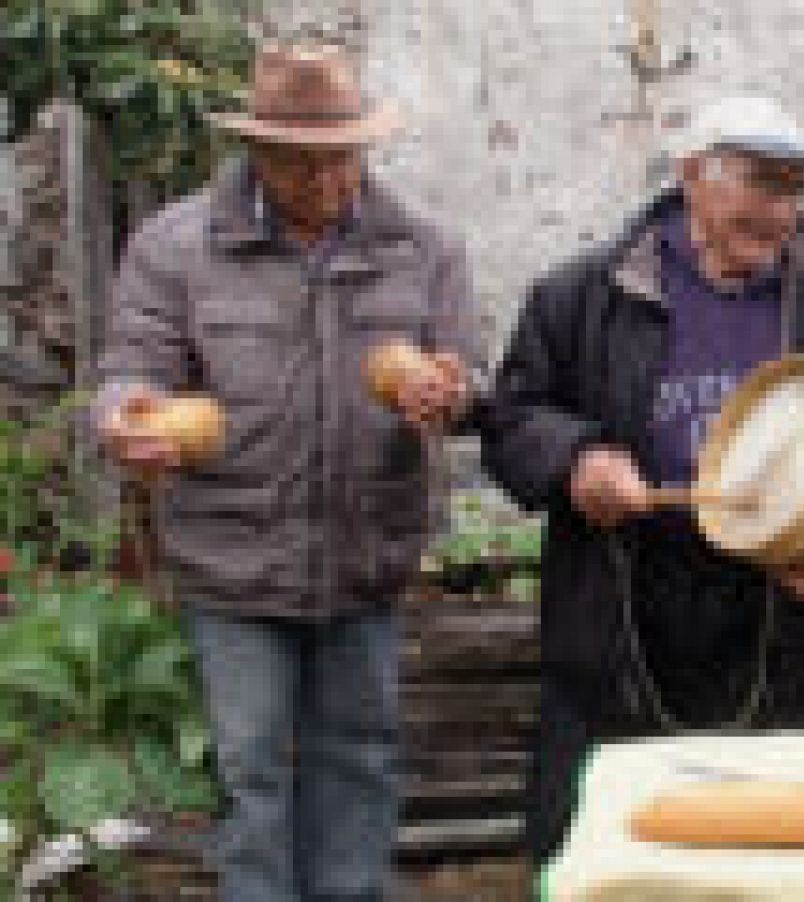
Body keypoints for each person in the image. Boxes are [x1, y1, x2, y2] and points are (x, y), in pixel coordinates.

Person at [95, 46, 482, 901]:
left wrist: (446, 388)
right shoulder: (177, 245)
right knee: (251, 765)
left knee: (360, 753)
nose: (325, 180)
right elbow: (132, 367)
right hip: (232, 556)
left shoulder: (423, 248)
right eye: (299, 162)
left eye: (342, 158)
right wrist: (130, 419)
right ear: (255, 153)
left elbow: (468, 373)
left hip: (366, 547)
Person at [478, 96, 804, 864]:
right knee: (602, 838)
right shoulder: (581, 294)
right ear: (693, 176)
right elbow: (511, 416)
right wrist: (577, 460)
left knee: (752, 843)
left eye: (794, 189)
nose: (779, 210)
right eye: (760, 183)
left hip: (765, 612)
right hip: (622, 599)